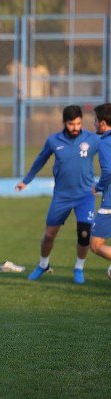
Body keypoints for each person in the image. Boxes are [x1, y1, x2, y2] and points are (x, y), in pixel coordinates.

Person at [16, 105, 99, 284]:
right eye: (71, 124)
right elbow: (40, 161)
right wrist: (26, 181)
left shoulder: (92, 139)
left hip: (85, 196)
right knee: (49, 236)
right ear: (64, 123)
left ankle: (79, 268)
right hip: (62, 197)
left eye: (78, 123)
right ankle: (43, 265)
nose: (75, 127)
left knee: (84, 234)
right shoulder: (54, 141)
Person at [90, 103, 111, 272]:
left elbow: (109, 170)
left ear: (103, 123)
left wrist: (98, 187)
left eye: (96, 120)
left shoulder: (105, 142)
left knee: (96, 245)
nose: (94, 123)